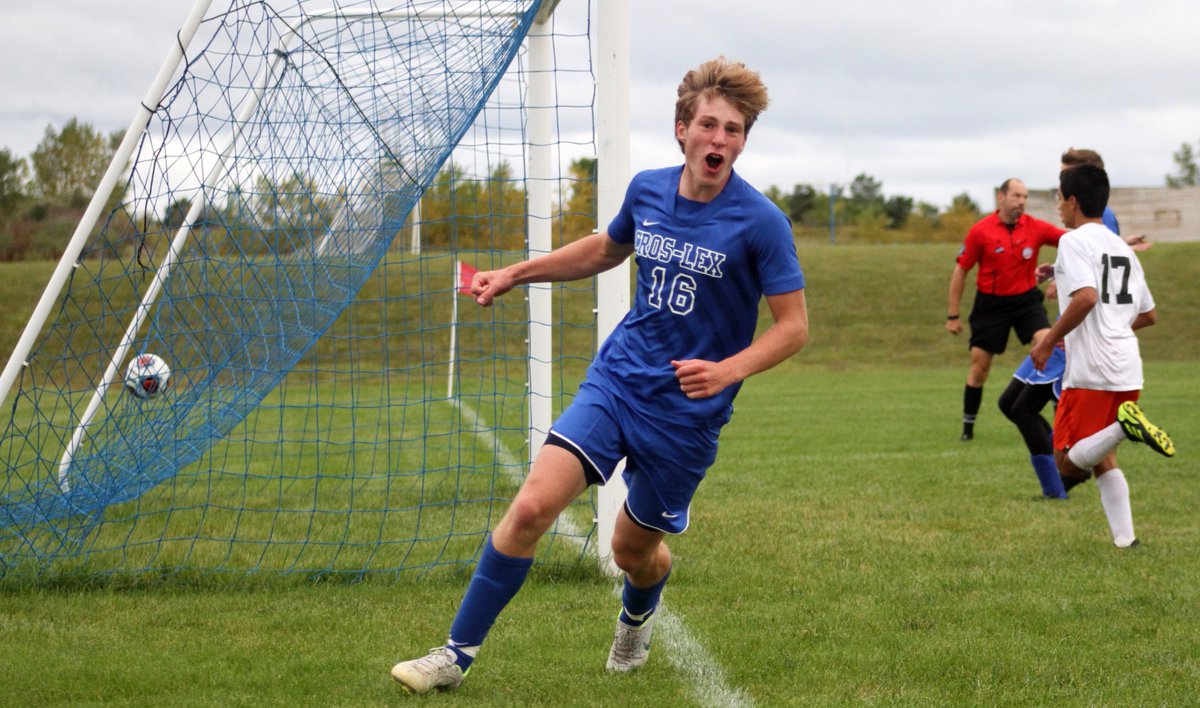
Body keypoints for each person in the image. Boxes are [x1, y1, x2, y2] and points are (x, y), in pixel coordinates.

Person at [390, 57, 808, 694]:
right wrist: (515, 273)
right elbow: (607, 249)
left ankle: (636, 619)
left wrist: (728, 370)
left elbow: (793, 326)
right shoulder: (647, 190)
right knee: (531, 507)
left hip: (685, 416)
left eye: (733, 130)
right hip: (617, 382)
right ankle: (454, 655)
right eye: (708, 124)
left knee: (631, 553)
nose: (719, 139)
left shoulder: (762, 223)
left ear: (743, 141)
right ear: (682, 129)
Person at [1029, 164, 1174, 548]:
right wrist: (1112, 327)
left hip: (1092, 369)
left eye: (1059, 199)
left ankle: (1126, 427)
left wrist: (1049, 340)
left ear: (1073, 202)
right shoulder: (1121, 247)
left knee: (1065, 464)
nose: (1058, 206)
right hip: (1127, 366)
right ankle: (1126, 540)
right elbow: (1148, 315)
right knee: (1103, 458)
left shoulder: (1073, 241)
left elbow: (1087, 297)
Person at [998, 148, 1151, 499]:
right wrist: (1058, 271)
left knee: (1029, 413)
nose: (1058, 195)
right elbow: (1106, 265)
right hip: (1089, 341)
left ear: (1074, 197)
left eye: (1063, 181)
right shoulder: (1098, 221)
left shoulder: (1089, 224)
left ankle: (1061, 484)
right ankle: (1065, 485)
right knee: (1015, 406)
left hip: (1077, 339)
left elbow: (1091, 290)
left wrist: (1065, 331)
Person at [946, 178, 1064, 441]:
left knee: (1049, 344)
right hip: (991, 305)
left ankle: (1060, 421)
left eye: (1025, 197)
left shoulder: (1035, 227)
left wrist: (1116, 243)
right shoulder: (980, 231)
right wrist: (953, 315)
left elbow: (1072, 241)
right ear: (1001, 197)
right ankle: (968, 430)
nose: (1022, 201)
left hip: (1026, 301)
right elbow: (961, 270)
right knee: (980, 368)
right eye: (1016, 196)